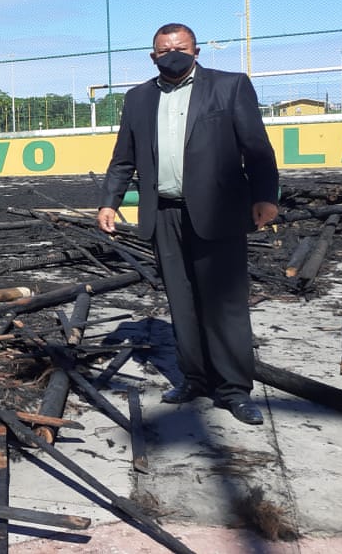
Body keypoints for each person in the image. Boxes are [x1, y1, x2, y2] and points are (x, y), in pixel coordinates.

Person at [97, 23, 279, 426]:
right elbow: (122, 157)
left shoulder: (228, 87)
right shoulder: (138, 97)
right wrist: (109, 202)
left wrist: (266, 196)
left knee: (225, 305)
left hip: (219, 211)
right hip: (164, 214)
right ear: (153, 56)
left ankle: (234, 389)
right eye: (164, 50)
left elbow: (257, 148)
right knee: (182, 302)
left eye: (180, 48)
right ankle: (194, 379)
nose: (172, 54)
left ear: (196, 51)